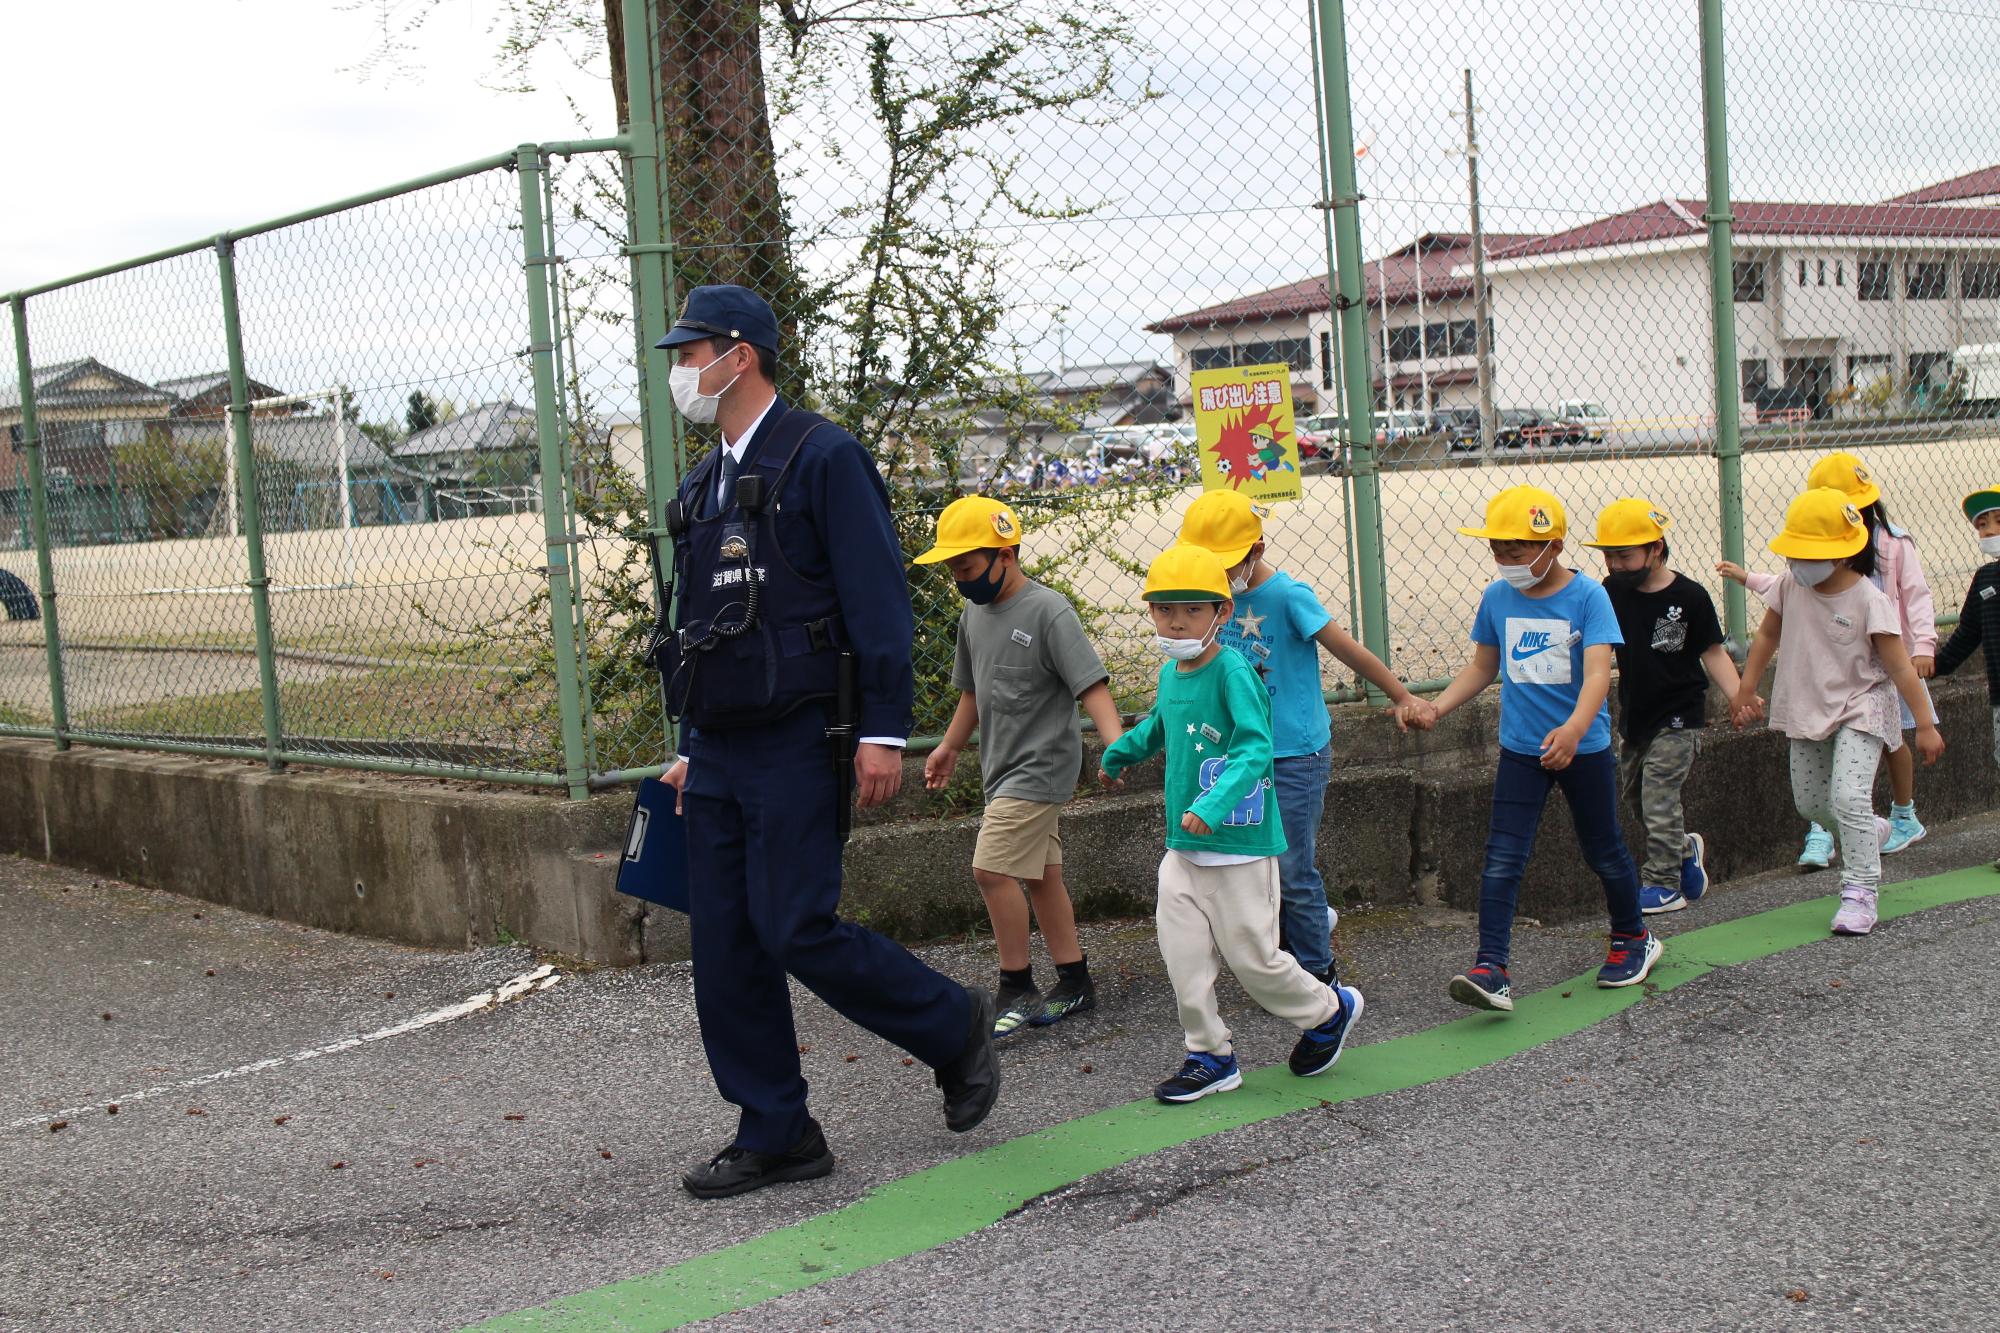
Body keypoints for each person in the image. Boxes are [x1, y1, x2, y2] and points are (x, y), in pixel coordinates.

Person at [653, 285, 1000, 1200]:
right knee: (725, 944)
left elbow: (879, 602)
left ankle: (948, 1023)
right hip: (723, 747)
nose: (682, 371)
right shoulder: (701, 485)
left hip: (802, 736)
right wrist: (691, 741)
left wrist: (883, 731)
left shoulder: (822, 455)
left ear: (742, 355)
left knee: (795, 923)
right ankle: (777, 1130)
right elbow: (702, 631)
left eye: (692, 353)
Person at [1098, 544, 1364, 1104]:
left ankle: (1329, 1010)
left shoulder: (1232, 670)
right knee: (1183, 955)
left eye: (1192, 609)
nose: (1176, 621)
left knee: (1254, 960)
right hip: (1184, 849)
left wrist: (1212, 806)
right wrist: (1120, 753)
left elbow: (1254, 746)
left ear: (1220, 612)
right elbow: (1159, 725)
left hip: (1240, 846)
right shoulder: (1172, 672)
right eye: (1164, 609)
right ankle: (1210, 1054)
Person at [1397, 485, 1661, 1012]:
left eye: (1515, 552)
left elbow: (1597, 674)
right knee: (1502, 857)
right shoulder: (1498, 597)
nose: (1504, 561)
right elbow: (1482, 667)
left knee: (1602, 849)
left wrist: (1572, 730)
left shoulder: (1589, 597)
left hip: (1581, 748)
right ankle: (1491, 967)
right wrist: (1436, 709)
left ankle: (1634, 938)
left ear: (1553, 547)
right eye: (1497, 551)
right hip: (1520, 750)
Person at [1176, 488, 1416, 983]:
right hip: (1242, 757)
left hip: (1294, 755)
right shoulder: (1207, 602)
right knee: (1255, 865)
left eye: (1226, 565)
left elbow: (1349, 650)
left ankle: (1319, 972)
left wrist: (1401, 695)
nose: (1218, 578)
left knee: (1292, 868)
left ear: (1256, 551)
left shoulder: (1288, 597)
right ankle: (1288, 948)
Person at [917, 496, 1126, 1037]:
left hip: (1042, 768)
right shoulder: (973, 613)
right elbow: (971, 693)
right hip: (1000, 768)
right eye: (952, 569)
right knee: (1042, 876)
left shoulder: (1048, 611)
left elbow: (1091, 685)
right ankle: (1075, 981)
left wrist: (1115, 745)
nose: (959, 579)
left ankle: (1017, 987)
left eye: (965, 566)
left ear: (1005, 554)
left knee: (991, 870)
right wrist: (949, 747)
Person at [1729, 488, 1942, 936]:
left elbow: (1901, 666)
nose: (1797, 563)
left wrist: (1924, 723)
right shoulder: (1791, 587)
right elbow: (1766, 636)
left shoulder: (1869, 600)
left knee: (1848, 797)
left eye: (1810, 554)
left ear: (1845, 555)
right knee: (1812, 803)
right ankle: (1872, 829)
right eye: (1794, 553)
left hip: (1862, 705)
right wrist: (1746, 686)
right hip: (1806, 704)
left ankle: (1861, 890)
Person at [1582, 499, 1746, 914]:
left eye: (1625, 555)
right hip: (1636, 713)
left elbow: (1712, 652)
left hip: (1680, 714)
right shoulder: (1610, 591)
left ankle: (1663, 881)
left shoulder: (1689, 596)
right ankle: (1684, 850)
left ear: (1656, 549)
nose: (1616, 564)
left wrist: (1738, 695)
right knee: (1636, 797)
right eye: (1609, 555)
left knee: (1658, 794)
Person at [1920, 486, 2000, 869]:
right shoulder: (1985, 579)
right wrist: (1929, 666)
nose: (1990, 531)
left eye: (1998, 521)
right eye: (1982, 525)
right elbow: (1966, 636)